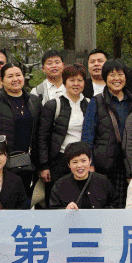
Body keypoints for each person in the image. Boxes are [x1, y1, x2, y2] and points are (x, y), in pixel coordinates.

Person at [49, 142, 117, 263]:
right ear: (68, 164)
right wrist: (65, 211)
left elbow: (115, 204)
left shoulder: (102, 181)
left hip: (99, 233)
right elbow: (52, 213)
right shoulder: (60, 185)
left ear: (90, 161)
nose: (80, 166)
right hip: (72, 235)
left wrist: (101, 215)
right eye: (75, 162)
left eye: (83, 161)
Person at [0, 63, 40, 199]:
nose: (15, 79)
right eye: (10, 76)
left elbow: (39, 134)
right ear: (2, 80)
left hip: (29, 163)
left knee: (26, 201)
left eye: (18, 75)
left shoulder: (34, 101)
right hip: (3, 164)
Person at [35, 64, 90, 198]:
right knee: (59, 199)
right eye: (72, 80)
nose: (76, 84)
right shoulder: (54, 105)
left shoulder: (90, 104)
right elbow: (42, 137)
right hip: (59, 160)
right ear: (65, 82)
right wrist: (44, 166)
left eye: (80, 80)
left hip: (83, 161)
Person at [84, 59, 132, 199]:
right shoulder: (97, 102)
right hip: (104, 165)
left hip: (129, 164)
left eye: (120, 74)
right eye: (112, 75)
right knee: (105, 202)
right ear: (105, 78)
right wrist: (90, 164)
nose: (117, 79)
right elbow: (87, 136)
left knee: (128, 203)